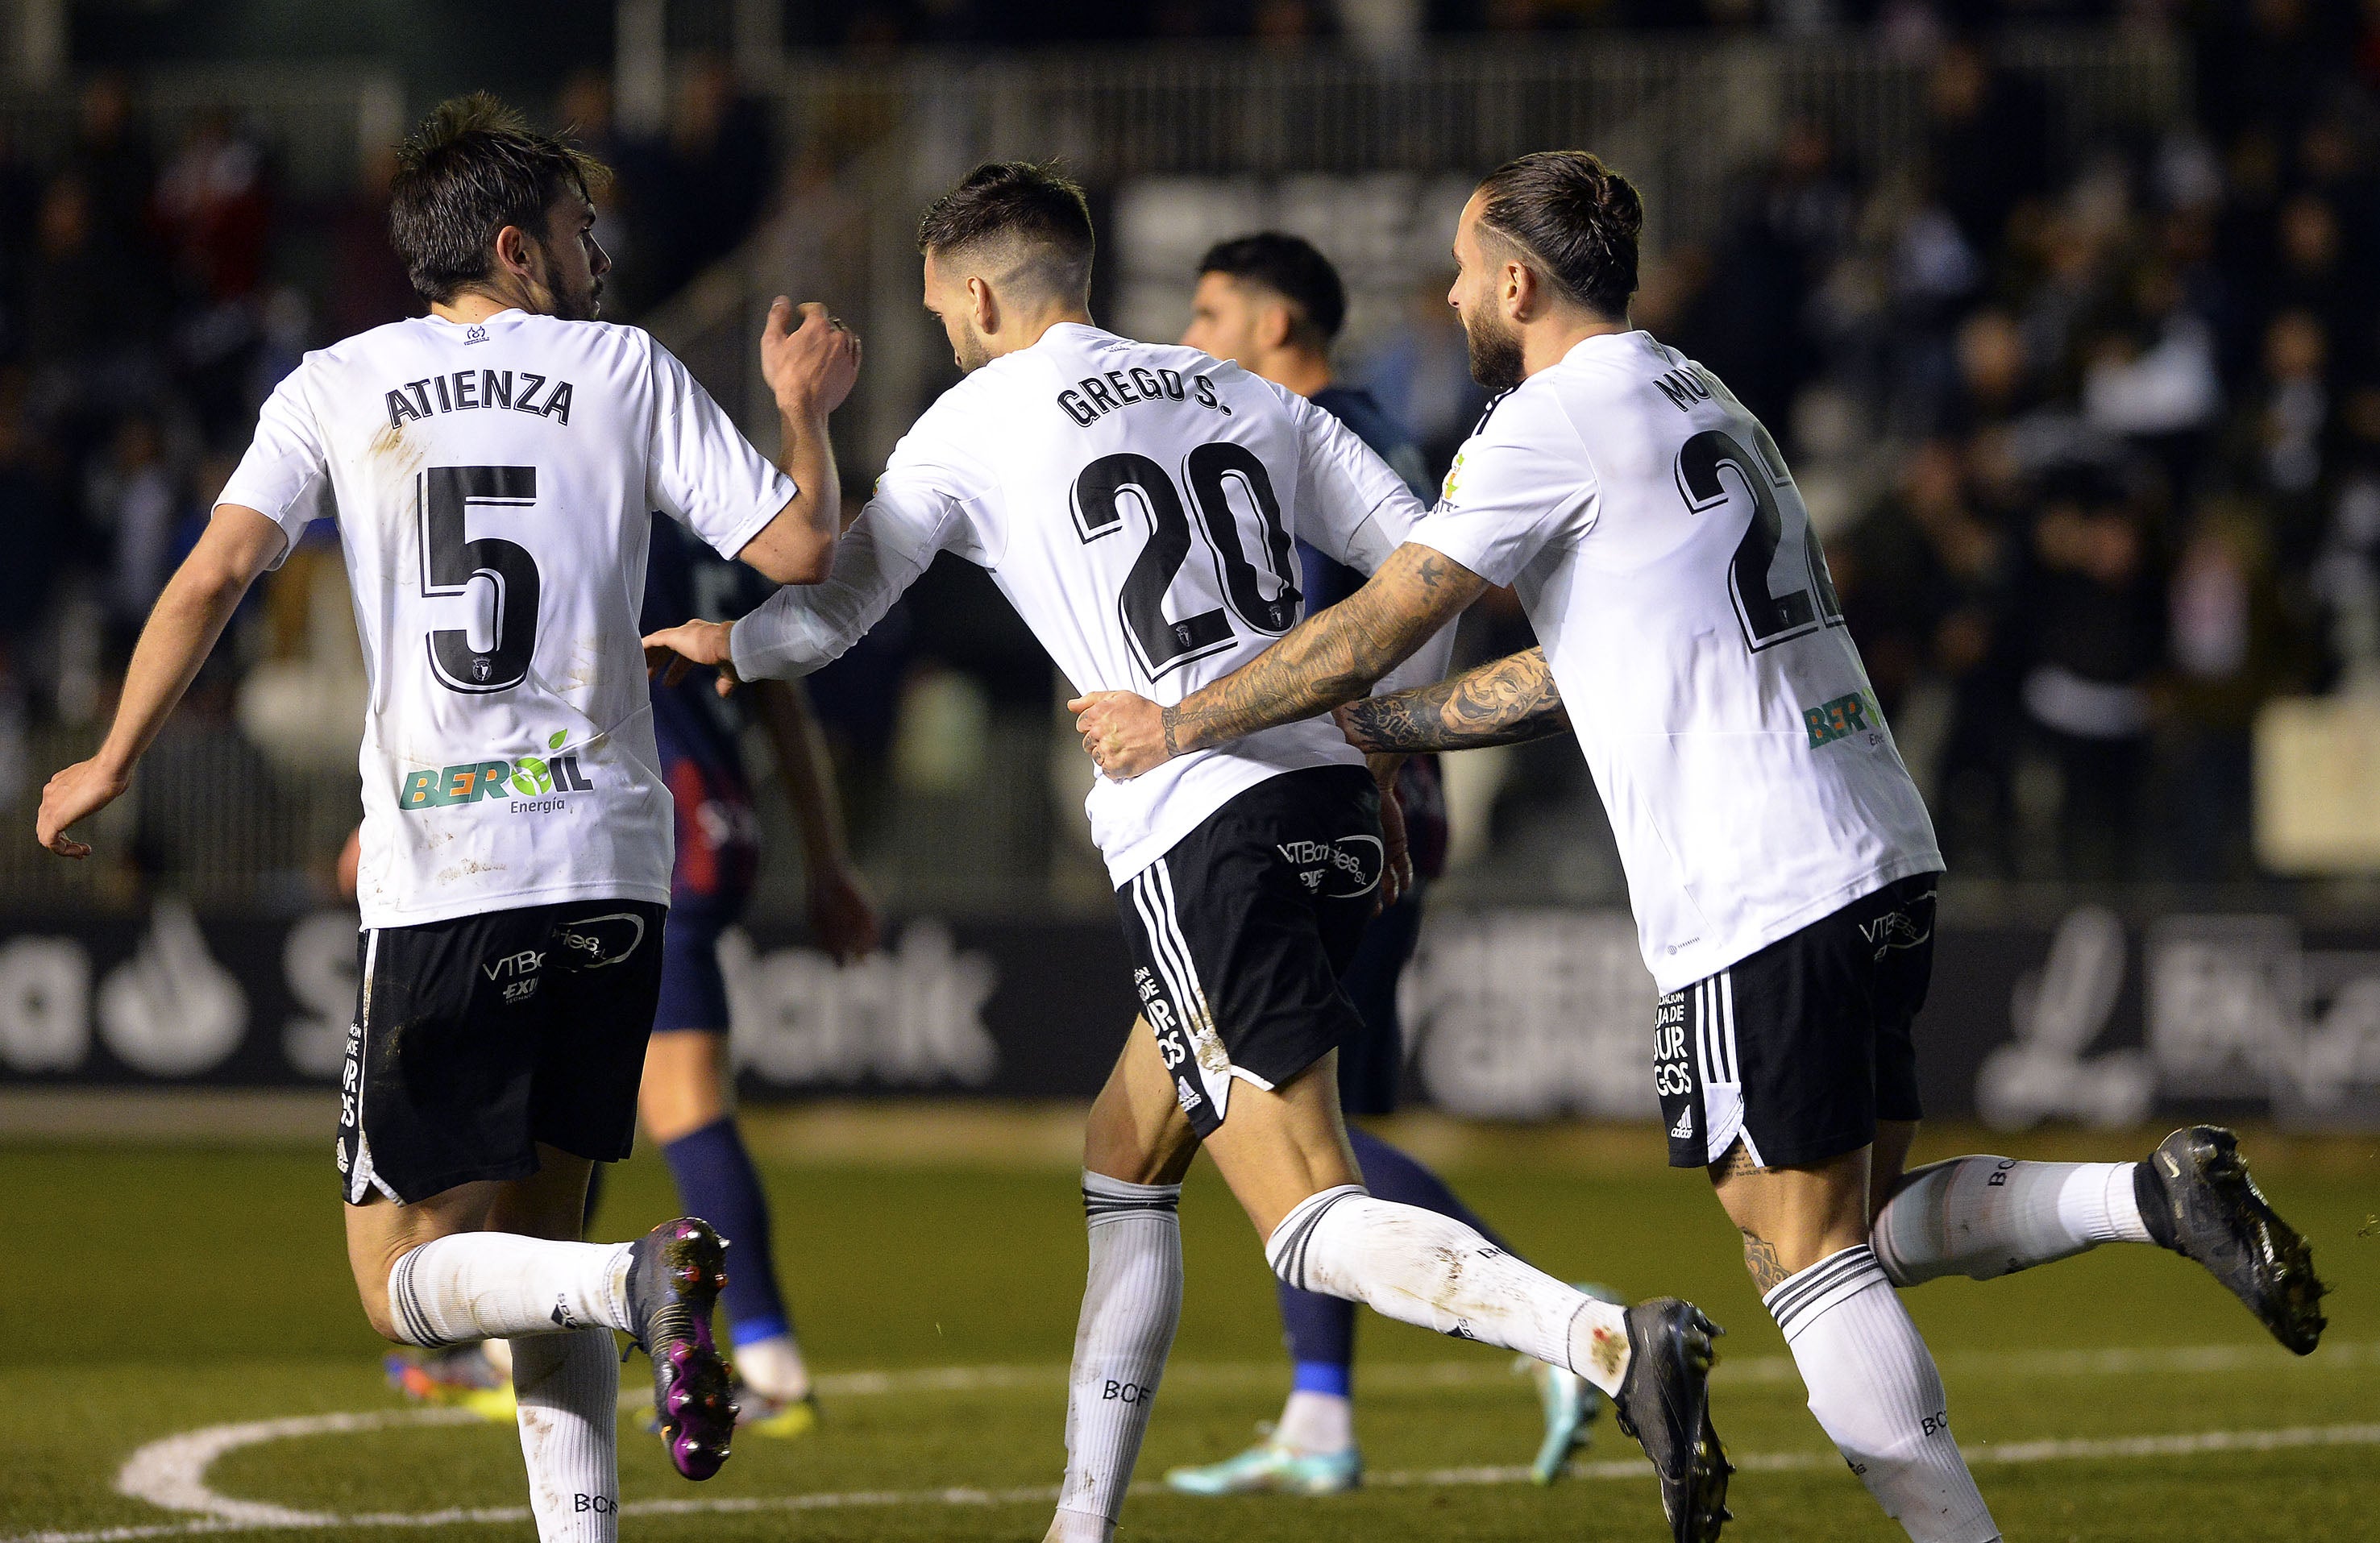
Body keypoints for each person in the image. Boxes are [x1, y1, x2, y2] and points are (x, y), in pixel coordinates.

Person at [1071, 150, 2331, 1543]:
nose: (1446, 296)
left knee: (1798, 1258)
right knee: (1850, 1226)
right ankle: (2144, 1193)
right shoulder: (1695, 388)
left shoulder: (1546, 420)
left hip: (1757, 880)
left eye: (1456, 268)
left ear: (1511, 280)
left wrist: (1179, 723)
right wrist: (1392, 729)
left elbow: (1377, 613)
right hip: (1873, 839)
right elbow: (1567, 669)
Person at [643, 161, 1731, 1543]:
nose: (940, 327)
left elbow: (827, 615)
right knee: (1124, 1148)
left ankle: (1598, 1343)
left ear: (976, 295)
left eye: (938, 304)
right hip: (1332, 807)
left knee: (1300, 1214)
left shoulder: (970, 422)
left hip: (1197, 822)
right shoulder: (1234, 391)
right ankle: (1079, 1522)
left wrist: (724, 641)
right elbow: (1428, 564)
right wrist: (1380, 752)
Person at [37, 94, 863, 1541]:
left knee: (403, 1285)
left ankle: (634, 1282)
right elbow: (799, 551)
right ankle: (598, 1394)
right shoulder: (624, 367)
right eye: (574, 224)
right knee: (530, 1247)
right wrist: (801, 412)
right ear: (513, 247)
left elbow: (213, 576)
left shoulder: (335, 382)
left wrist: (110, 755)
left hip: (445, 872)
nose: (595, 246)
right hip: (617, 863)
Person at [1165, 230, 1609, 1495]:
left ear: (1275, 324)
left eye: (1210, 313)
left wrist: (1362, 763)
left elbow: (1379, 632)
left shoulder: (1311, 439)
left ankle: (1551, 1322)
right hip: (1366, 797)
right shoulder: (1356, 431)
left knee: (1290, 1119)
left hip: (1332, 808)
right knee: (1301, 1114)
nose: (1192, 340)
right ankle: (1322, 1411)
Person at [384, 516, 883, 1437]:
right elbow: (778, 697)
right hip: (717, 817)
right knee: (571, 1092)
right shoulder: (711, 544)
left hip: (636, 825)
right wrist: (825, 856)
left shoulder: (592, 519)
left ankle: (768, 1359)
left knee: (677, 1099)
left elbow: (510, 676)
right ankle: (516, 1337)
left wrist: (417, 801)